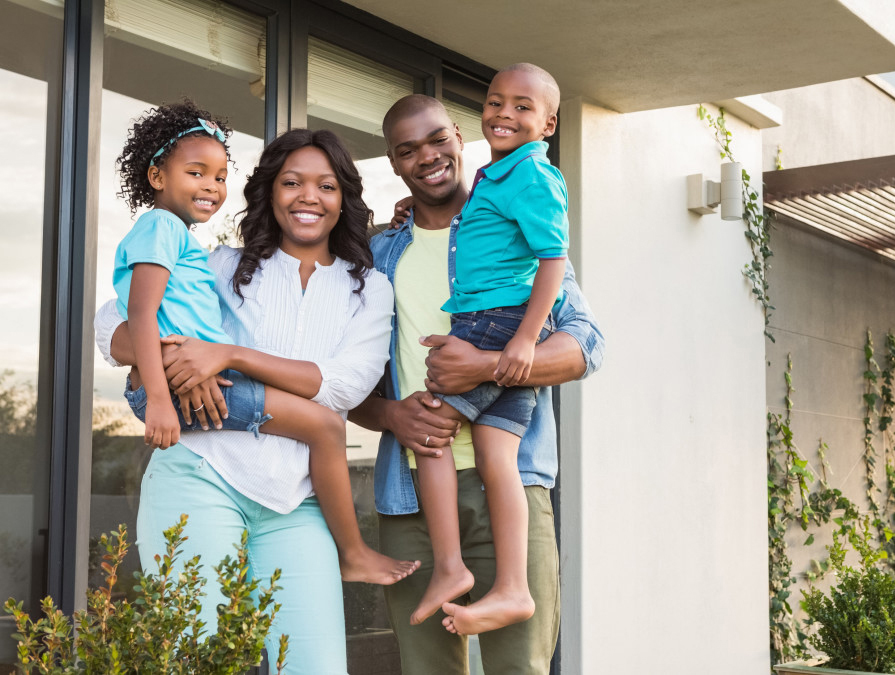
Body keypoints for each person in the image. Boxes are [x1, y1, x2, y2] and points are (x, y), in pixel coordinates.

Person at [96, 127, 412, 672]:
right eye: (291, 182)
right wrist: (175, 361)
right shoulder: (223, 264)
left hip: (298, 502)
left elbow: (343, 387)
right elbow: (110, 324)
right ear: (270, 192)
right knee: (194, 659)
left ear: (345, 199)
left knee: (315, 666)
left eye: (326, 186)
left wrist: (227, 355)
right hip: (203, 472)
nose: (308, 197)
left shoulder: (369, 288)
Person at [349, 92, 604, 672]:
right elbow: (346, 384)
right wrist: (391, 416)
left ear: (461, 137)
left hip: (510, 485)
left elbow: (585, 346)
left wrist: (487, 366)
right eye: (408, 150)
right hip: (410, 496)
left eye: (438, 138)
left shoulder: (513, 228)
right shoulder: (378, 255)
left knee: (519, 667)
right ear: (393, 163)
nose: (428, 157)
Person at [399, 62, 568, 635]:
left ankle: (451, 568)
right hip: (500, 326)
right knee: (501, 461)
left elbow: (562, 279)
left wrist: (511, 347)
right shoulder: (492, 186)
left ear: (548, 123)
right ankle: (513, 589)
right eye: (496, 101)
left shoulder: (527, 178)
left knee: (428, 432)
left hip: (496, 323)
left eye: (523, 107)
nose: (505, 113)